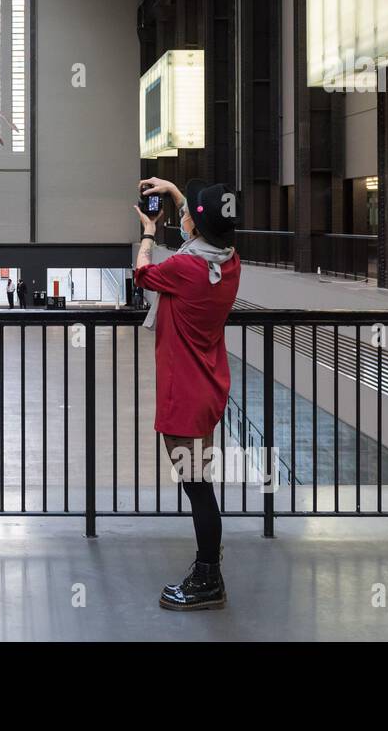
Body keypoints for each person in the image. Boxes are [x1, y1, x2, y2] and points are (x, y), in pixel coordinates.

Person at [133, 176, 240, 611]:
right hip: (208, 389)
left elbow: (142, 274)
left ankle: (207, 578)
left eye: (189, 214)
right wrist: (177, 193)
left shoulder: (184, 268)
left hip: (184, 397)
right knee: (201, 484)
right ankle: (208, 570)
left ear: (195, 229)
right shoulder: (229, 263)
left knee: (198, 489)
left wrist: (147, 232)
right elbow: (197, 231)